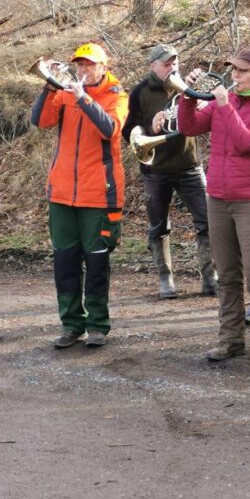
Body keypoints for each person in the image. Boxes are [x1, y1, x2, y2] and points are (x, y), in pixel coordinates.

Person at [177, 47, 250, 367]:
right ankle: (231, 339)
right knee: (226, 274)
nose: (235, 76)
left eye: (242, 71)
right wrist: (188, 95)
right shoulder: (225, 100)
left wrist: (224, 106)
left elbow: (249, 142)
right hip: (218, 197)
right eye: (233, 70)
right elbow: (189, 128)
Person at [31, 42, 128, 348]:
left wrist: (83, 99)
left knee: (97, 263)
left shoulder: (116, 96)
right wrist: (49, 87)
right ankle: (71, 324)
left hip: (99, 194)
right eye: (80, 65)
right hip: (61, 194)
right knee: (65, 262)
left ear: (103, 67)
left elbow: (110, 129)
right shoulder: (64, 91)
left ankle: (98, 324)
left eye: (90, 65)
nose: (84, 70)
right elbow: (40, 121)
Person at [121, 44, 216, 300]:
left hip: (189, 165)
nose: (172, 67)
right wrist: (148, 128)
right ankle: (165, 278)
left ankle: (210, 277)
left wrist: (193, 94)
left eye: (175, 63)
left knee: (208, 221)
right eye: (166, 64)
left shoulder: (187, 88)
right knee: (158, 226)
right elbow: (127, 131)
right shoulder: (140, 92)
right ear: (153, 65)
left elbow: (207, 114)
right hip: (156, 170)